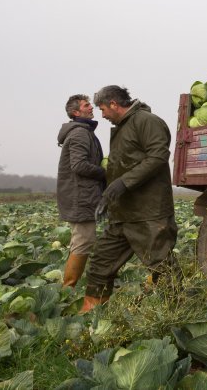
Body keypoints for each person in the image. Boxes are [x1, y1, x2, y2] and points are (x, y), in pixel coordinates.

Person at [80, 85, 178, 312]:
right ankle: (91, 315)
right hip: (123, 213)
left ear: (114, 104)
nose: (102, 115)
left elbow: (158, 156)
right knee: (100, 264)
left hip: (148, 212)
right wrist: (108, 197)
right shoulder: (123, 126)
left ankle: (178, 312)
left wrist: (122, 183)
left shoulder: (147, 121)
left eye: (103, 109)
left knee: (162, 267)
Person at [56, 94, 106, 288]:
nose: (91, 108)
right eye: (87, 106)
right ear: (76, 112)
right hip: (81, 196)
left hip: (83, 194)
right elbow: (79, 165)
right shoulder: (79, 133)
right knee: (83, 240)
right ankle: (68, 289)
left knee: (82, 240)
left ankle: (69, 286)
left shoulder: (83, 131)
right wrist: (105, 172)